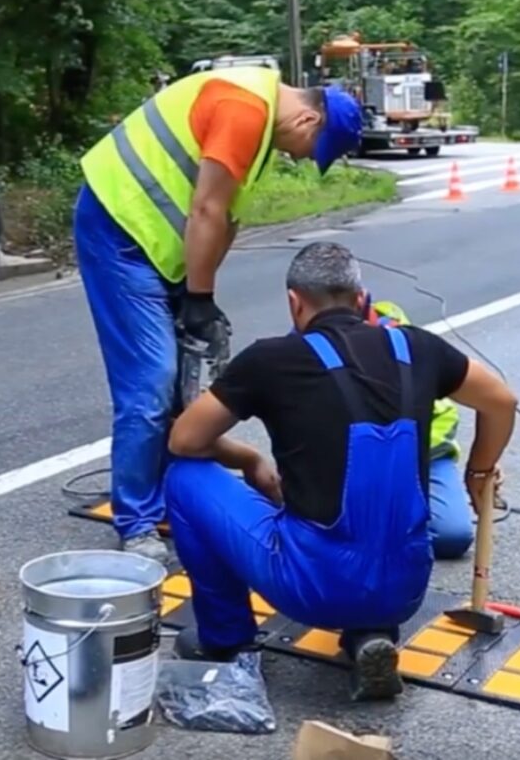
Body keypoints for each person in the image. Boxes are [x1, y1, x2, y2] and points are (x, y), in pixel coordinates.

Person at [164, 242, 518, 700]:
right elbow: (502, 401)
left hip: (312, 589)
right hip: (405, 589)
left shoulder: (271, 360)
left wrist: (249, 460)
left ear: (295, 302)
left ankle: (226, 639)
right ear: (361, 298)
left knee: (184, 479)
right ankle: (370, 634)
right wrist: (479, 470)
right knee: (379, 524)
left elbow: (184, 440)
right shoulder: (416, 346)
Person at [73, 66, 363, 564]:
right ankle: (137, 522)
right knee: (151, 381)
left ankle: (166, 486)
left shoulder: (262, 125)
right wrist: (199, 298)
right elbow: (205, 209)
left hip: (154, 245)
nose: (299, 158)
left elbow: (225, 220)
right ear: (310, 119)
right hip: (119, 231)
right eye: (309, 150)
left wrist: (197, 297)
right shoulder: (243, 108)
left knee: (181, 381)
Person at [361, 296, 476, 560]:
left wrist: (482, 468)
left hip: (425, 455)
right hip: (358, 460)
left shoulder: (395, 333)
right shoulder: (307, 343)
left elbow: (497, 400)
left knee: (452, 535)